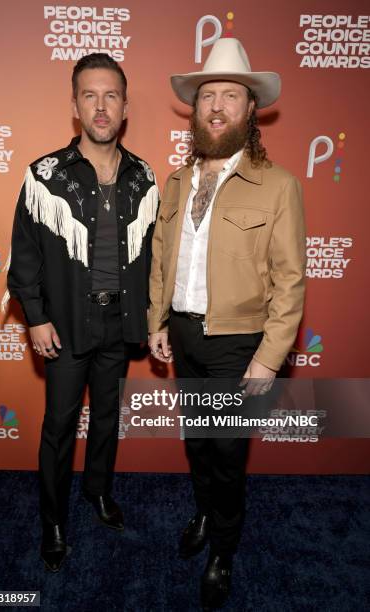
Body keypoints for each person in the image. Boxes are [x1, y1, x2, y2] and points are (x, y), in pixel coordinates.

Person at [148, 37, 306, 609]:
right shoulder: (176, 181)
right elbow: (164, 258)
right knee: (197, 441)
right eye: (207, 95)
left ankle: (224, 548)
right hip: (186, 335)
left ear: (250, 110)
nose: (216, 105)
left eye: (230, 96)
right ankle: (205, 510)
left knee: (228, 449)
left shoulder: (280, 185)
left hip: (239, 343)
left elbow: (290, 282)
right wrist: (158, 321)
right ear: (195, 107)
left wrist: (269, 356)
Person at [5, 53, 158, 572]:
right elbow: (24, 254)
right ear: (75, 106)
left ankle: (97, 492)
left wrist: (153, 317)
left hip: (119, 322)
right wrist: (36, 316)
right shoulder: (44, 175)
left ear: (125, 107)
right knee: (59, 426)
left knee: (109, 419)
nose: (100, 106)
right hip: (66, 324)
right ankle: (52, 520)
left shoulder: (144, 176)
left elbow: (155, 258)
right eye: (89, 96)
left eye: (110, 95)